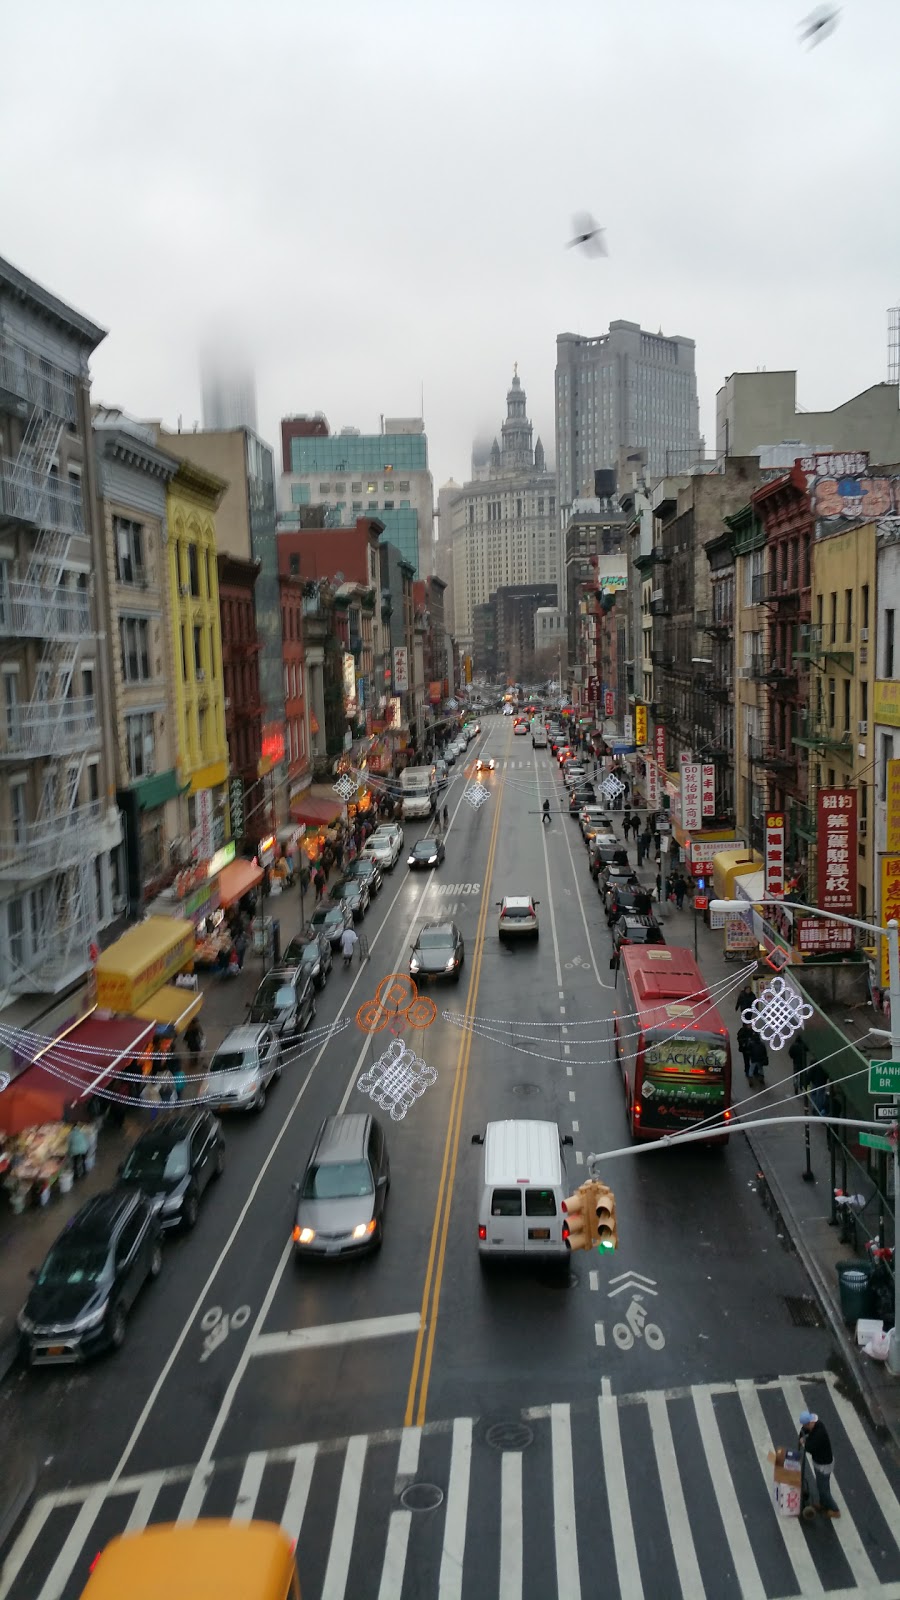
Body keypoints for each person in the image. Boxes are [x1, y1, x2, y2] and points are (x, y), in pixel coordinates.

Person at [798, 1412, 840, 1518]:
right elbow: (805, 1431)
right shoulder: (816, 1425)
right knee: (821, 1485)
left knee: (823, 1489)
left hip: (823, 1465)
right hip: (820, 1462)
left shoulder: (819, 1434)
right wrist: (802, 1436)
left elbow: (810, 1448)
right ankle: (823, 1504)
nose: (805, 1427)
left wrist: (803, 1442)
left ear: (810, 1423)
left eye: (806, 1425)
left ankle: (835, 1510)